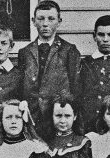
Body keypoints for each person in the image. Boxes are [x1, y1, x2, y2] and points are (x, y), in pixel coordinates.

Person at [19, 0, 81, 139]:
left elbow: (76, 88)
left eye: (51, 19)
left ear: (59, 21)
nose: (45, 23)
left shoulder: (69, 50)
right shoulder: (25, 52)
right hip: (32, 117)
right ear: (33, 21)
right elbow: (22, 87)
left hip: (58, 117)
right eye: (40, 19)